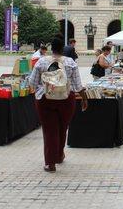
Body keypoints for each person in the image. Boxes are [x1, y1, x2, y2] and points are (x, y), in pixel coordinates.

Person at [28, 37, 88, 172]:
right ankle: (59, 155)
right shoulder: (70, 62)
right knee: (62, 128)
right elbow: (78, 86)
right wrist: (84, 99)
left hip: (45, 99)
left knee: (49, 131)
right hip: (66, 99)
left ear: (51, 48)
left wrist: (39, 91)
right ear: (63, 49)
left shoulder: (41, 62)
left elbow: (32, 82)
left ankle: (50, 163)